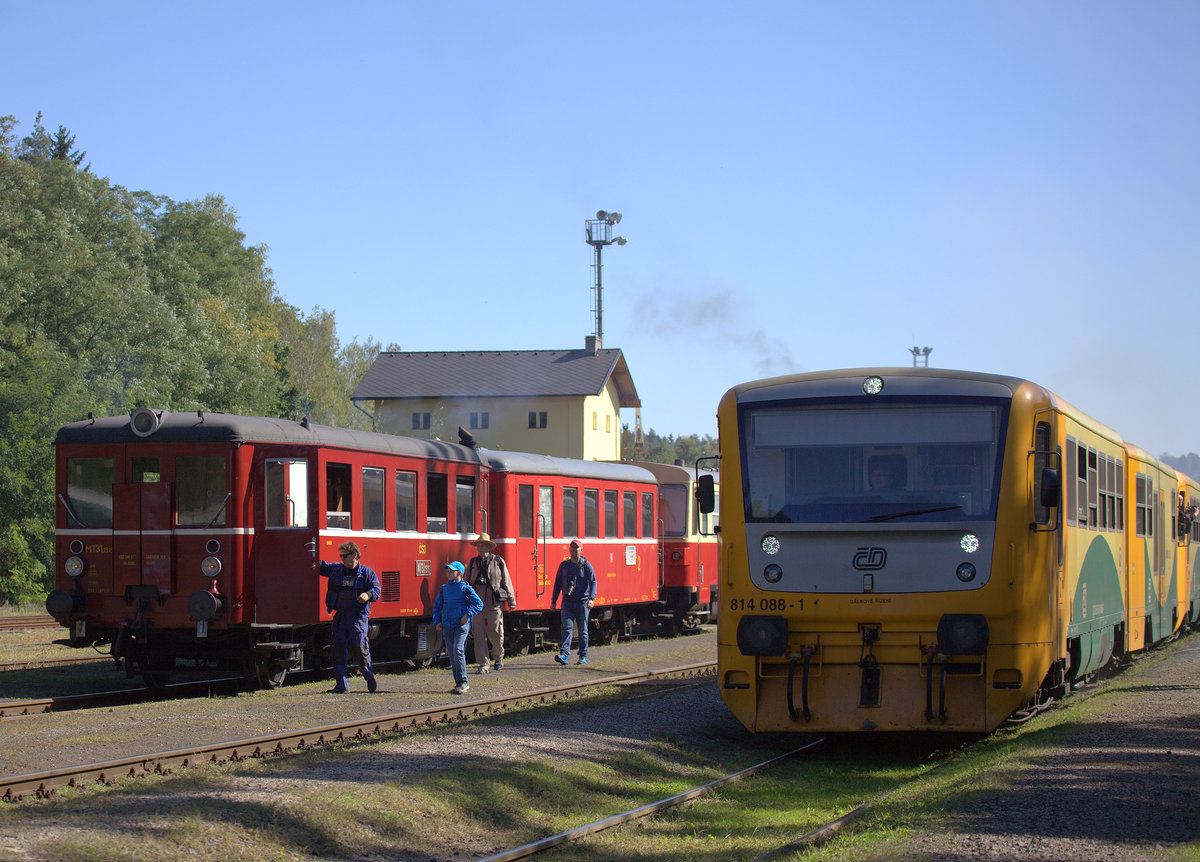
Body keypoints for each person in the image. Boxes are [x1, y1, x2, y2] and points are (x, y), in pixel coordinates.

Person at [317, 541, 381, 693]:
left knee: (360, 648)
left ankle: (369, 678)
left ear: (355, 555)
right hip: (340, 616)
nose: (342, 559)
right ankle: (342, 685)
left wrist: (368, 595)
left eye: (345, 556)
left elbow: (377, 590)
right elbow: (321, 566)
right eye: (341, 556)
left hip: (357, 617)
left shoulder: (367, 573)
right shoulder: (336, 569)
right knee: (338, 650)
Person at [465, 532, 517, 674]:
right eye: (479, 545)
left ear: (489, 547)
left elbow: (506, 581)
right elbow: (466, 583)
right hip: (477, 606)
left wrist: (511, 601)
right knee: (479, 636)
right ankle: (483, 664)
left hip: (494, 605)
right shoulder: (473, 563)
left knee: (495, 633)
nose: (480, 548)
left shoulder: (498, 561)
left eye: (483, 545)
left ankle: (498, 658)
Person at [433, 561, 483, 695]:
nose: (448, 573)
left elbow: (479, 604)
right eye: (447, 571)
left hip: (461, 625)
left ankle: (463, 681)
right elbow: (437, 606)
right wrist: (437, 622)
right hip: (447, 625)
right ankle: (458, 683)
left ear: (459, 573)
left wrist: (467, 615)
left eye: (451, 571)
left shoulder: (466, 589)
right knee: (452, 653)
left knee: (458, 649)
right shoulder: (444, 589)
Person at [551, 539, 596, 666]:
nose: (573, 550)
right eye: (571, 547)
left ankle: (583, 656)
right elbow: (557, 584)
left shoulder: (585, 565)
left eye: (576, 547)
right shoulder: (564, 565)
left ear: (581, 550)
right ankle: (564, 655)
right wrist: (553, 601)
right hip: (567, 603)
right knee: (567, 628)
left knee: (583, 630)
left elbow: (593, 582)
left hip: (582, 602)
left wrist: (591, 598)